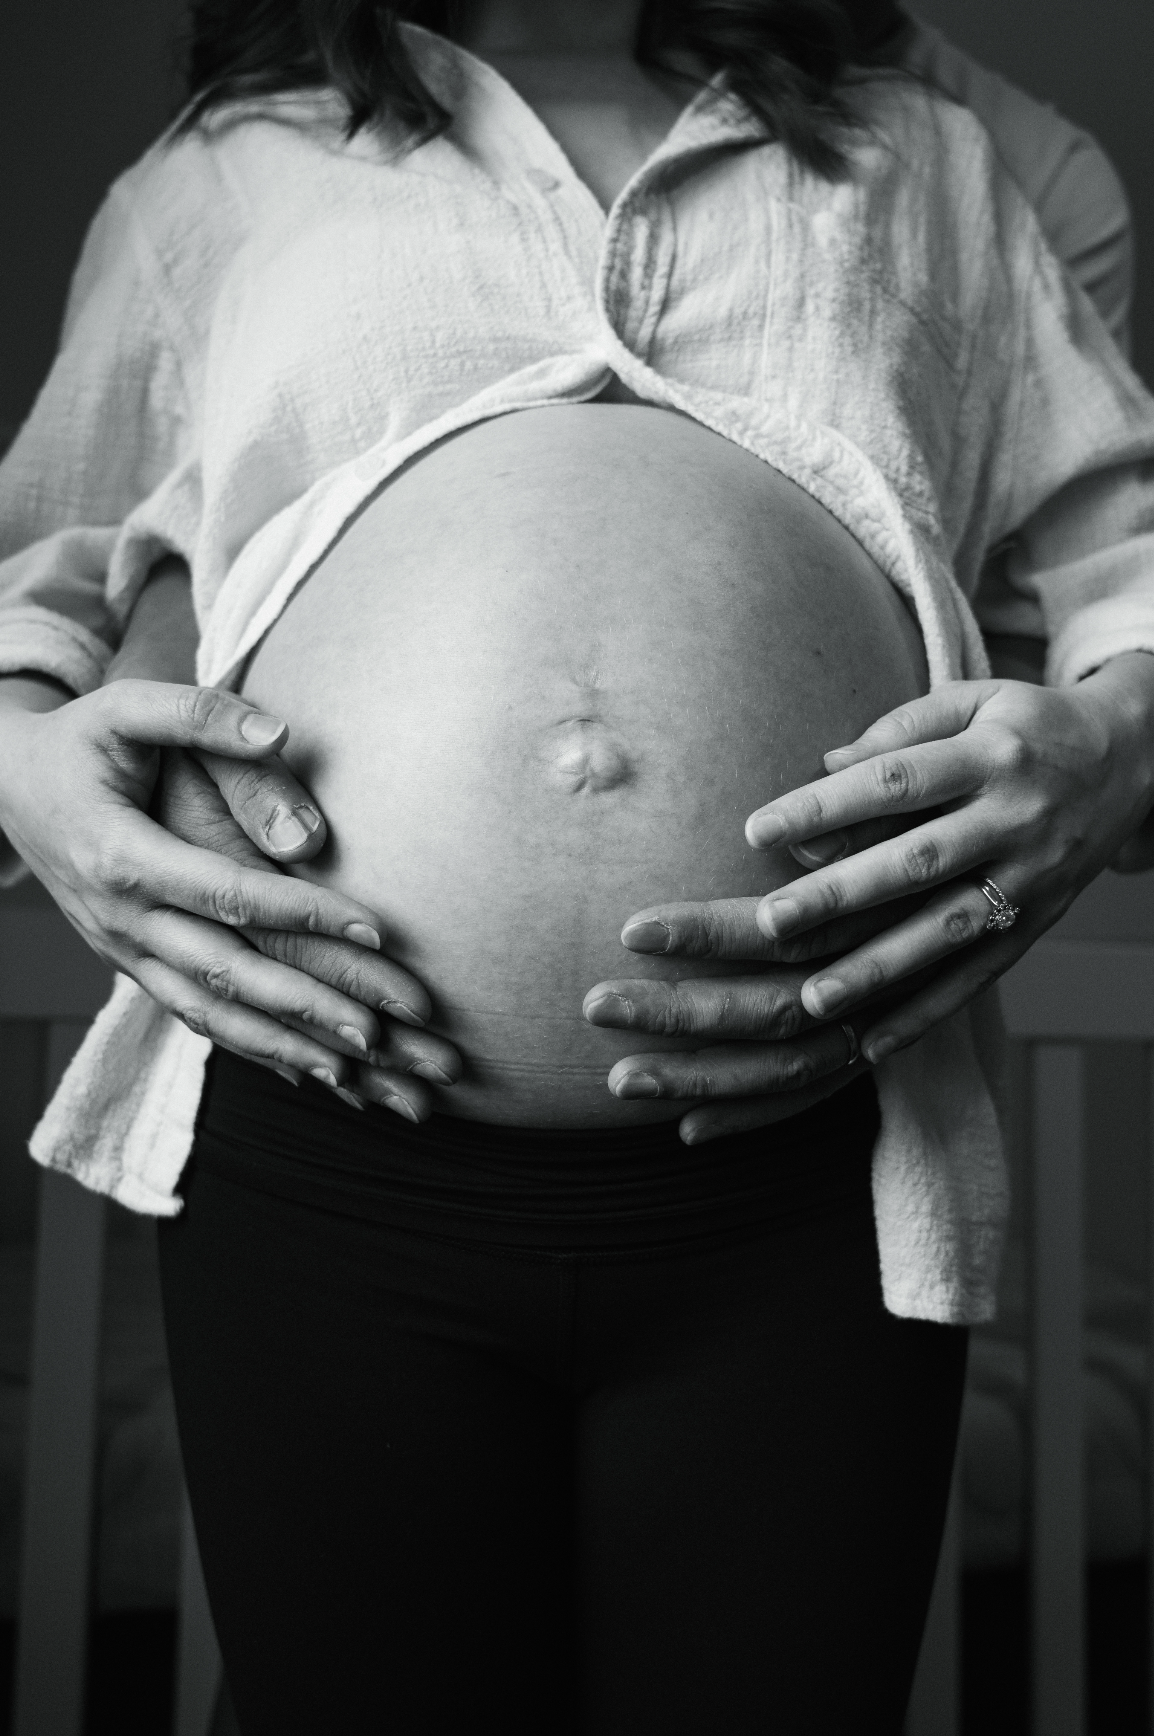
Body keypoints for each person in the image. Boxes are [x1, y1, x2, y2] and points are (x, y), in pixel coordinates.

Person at [2, 2, 1154, 1729]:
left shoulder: (925, 160)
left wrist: (1117, 739)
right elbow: (44, 558)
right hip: (329, 1151)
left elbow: (1122, 552)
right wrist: (19, 747)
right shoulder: (227, 172)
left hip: (807, 1168)